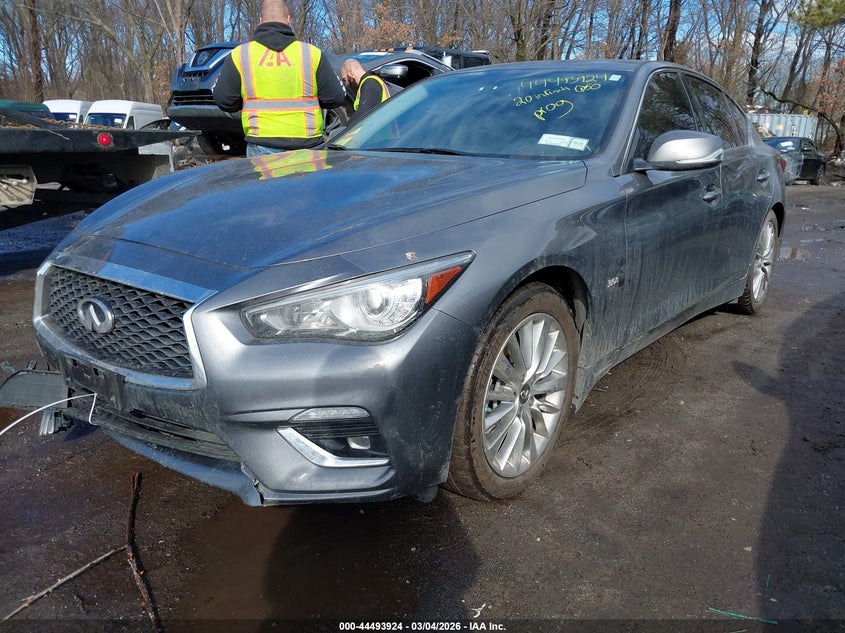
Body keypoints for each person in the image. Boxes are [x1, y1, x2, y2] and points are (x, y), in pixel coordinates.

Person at [213, 0, 346, 157]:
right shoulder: (311, 53)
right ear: (289, 20)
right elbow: (336, 98)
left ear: (260, 21)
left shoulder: (241, 54)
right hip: (308, 147)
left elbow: (224, 100)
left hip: (262, 146)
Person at [340, 58, 396, 125]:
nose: (346, 84)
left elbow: (363, 115)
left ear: (351, 73)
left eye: (345, 79)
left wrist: (344, 131)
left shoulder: (370, 84)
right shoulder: (368, 84)